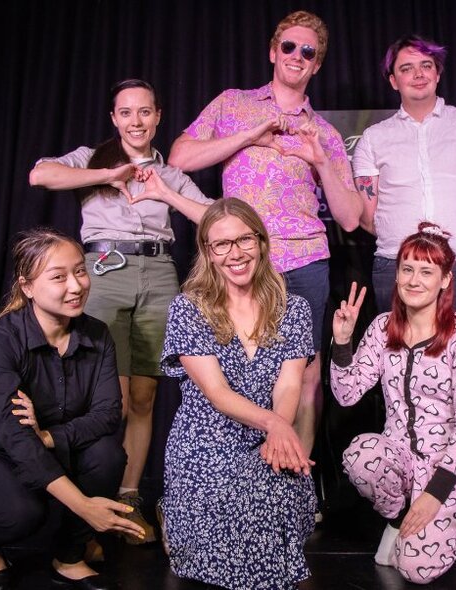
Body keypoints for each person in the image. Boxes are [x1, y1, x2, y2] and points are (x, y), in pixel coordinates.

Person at [168, 10, 362, 456]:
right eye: (290, 46)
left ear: (317, 65)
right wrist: (251, 136)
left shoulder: (327, 134)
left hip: (305, 260)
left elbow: (350, 218)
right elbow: (179, 156)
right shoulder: (234, 104)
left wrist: (319, 161)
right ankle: (237, 467)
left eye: (308, 52)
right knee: (234, 362)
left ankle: (297, 476)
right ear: (274, 52)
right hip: (240, 258)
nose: (297, 56)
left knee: (307, 370)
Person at [29, 79, 212, 543]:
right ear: (114, 118)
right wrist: (107, 176)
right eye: (126, 113)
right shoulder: (91, 157)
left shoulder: (169, 173)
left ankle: (129, 498)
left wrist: (166, 195)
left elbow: (215, 216)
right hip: (103, 271)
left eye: (145, 112)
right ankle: (93, 500)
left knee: (146, 398)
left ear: (157, 117)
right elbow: (40, 175)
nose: (136, 121)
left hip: (159, 273)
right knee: (113, 398)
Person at [0, 228, 145, 590]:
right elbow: (16, 439)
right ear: (27, 286)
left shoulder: (97, 335)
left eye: (81, 271)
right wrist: (84, 505)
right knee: (21, 513)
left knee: (107, 455)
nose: (76, 286)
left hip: (45, 444)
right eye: (59, 277)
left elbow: (109, 413)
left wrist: (49, 436)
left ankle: (69, 556)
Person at [159, 199, 316, 588]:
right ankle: (178, 520)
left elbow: (290, 383)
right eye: (222, 244)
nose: (236, 253)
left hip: (267, 436)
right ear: (208, 254)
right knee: (232, 508)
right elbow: (216, 392)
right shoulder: (188, 309)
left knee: (276, 492)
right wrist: (277, 424)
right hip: (206, 441)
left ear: (261, 243)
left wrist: (277, 432)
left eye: (244, 239)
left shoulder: (293, 309)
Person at [329, 223, 456, 584]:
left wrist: (435, 495)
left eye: (426, 271)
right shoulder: (384, 328)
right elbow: (347, 394)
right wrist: (342, 343)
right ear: (397, 274)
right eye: (407, 269)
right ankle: (399, 517)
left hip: (450, 468)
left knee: (416, 569)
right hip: (400, 459)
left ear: (445, 280)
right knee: (360, 455)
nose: (414, 280)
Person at [352, 34, 456, 343]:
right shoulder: (374, 138)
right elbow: (367, 216)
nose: (419, 74)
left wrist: (450, 239)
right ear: (394, 80)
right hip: (396, 270)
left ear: (437, 73)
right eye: (407, 68)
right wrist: (414, 249)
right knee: (399, 366)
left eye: (426, 65)